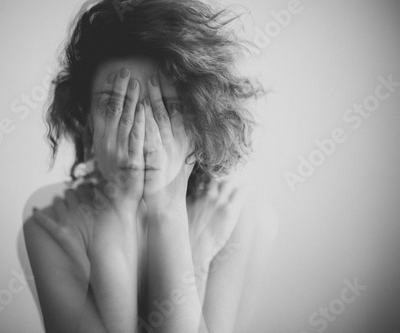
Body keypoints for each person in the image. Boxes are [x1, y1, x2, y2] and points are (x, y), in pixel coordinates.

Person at [23, 0, 278, 332]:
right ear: (86, 119)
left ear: (198, 120)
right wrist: (117, 207)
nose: (140, 131)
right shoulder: (52, 226)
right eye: (116, 105)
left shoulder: (238, 215)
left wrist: (170, 211)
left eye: (165, 108)